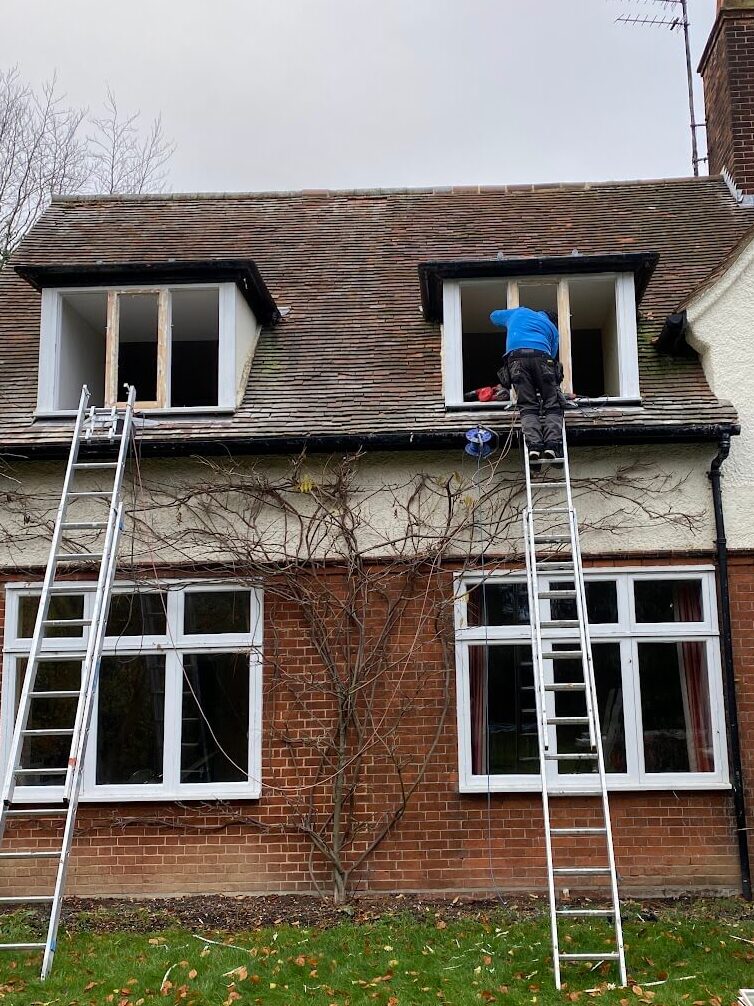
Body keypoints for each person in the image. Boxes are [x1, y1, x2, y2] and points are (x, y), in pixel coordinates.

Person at [489, 305, 564, 462]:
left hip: (516, 360)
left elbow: (494, 316)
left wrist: (511, 319)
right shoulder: (552, 328)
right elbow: (553, 354)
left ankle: (534, 447)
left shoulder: (519, 312)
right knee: (552, 403)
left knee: (528, 405)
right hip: (543, 357)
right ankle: (552, 445)